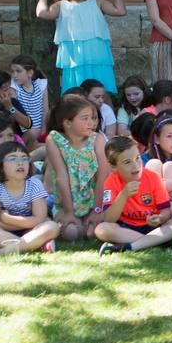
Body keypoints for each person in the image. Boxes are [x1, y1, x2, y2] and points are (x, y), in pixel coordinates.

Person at [95, 136, 172, 254]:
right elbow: (109, 219)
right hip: (127, 228)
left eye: (137, 158)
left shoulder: (153, 178)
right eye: (127, 162)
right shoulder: (111, 182)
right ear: (113, 167)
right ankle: (159, 242)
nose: (135, 166)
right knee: (102, 229)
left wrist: (160, 218)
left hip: (153, 227)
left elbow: (166, 212)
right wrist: (123, 195)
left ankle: (132, 246)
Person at [36, 0, 126, 93]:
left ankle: (105, 113)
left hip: (97, 54)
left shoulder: (97, 2)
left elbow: (120, 11)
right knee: (76, 93)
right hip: (74, 56)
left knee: (102, 93)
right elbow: (42, 13)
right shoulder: (61, 5)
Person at [0, 141, 60, 258]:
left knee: (51, 226)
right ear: (0, 165)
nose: (20, 163)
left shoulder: (35, 183)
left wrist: (8, 218)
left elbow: (39, 219)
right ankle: (35, 246)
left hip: (30, 230)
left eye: (24, 158)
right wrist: (16, 224)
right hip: (1, 232)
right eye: (13, 159)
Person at [44, 96, 109, 241]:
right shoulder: (54, 139)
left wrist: (97, 210)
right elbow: (61, 176)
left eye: (93, 118)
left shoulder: (97, 139)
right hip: (66, 202)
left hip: (93, 201)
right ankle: (56, 220)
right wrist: (68, 212)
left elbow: (103, 176)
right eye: (85, 118)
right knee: (72, 233)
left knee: (92, 233)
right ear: (67, 122)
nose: (91, 123)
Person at [7, 55, 49, 139]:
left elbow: (45, 110)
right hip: (23, 133)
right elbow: (15, 114)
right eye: (12, 71)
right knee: (33, 133)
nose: (14, 75)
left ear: (30, 73)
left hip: (40, 130)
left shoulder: (41, 85)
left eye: (18, 71)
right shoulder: (13, 87)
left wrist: (43, 132)